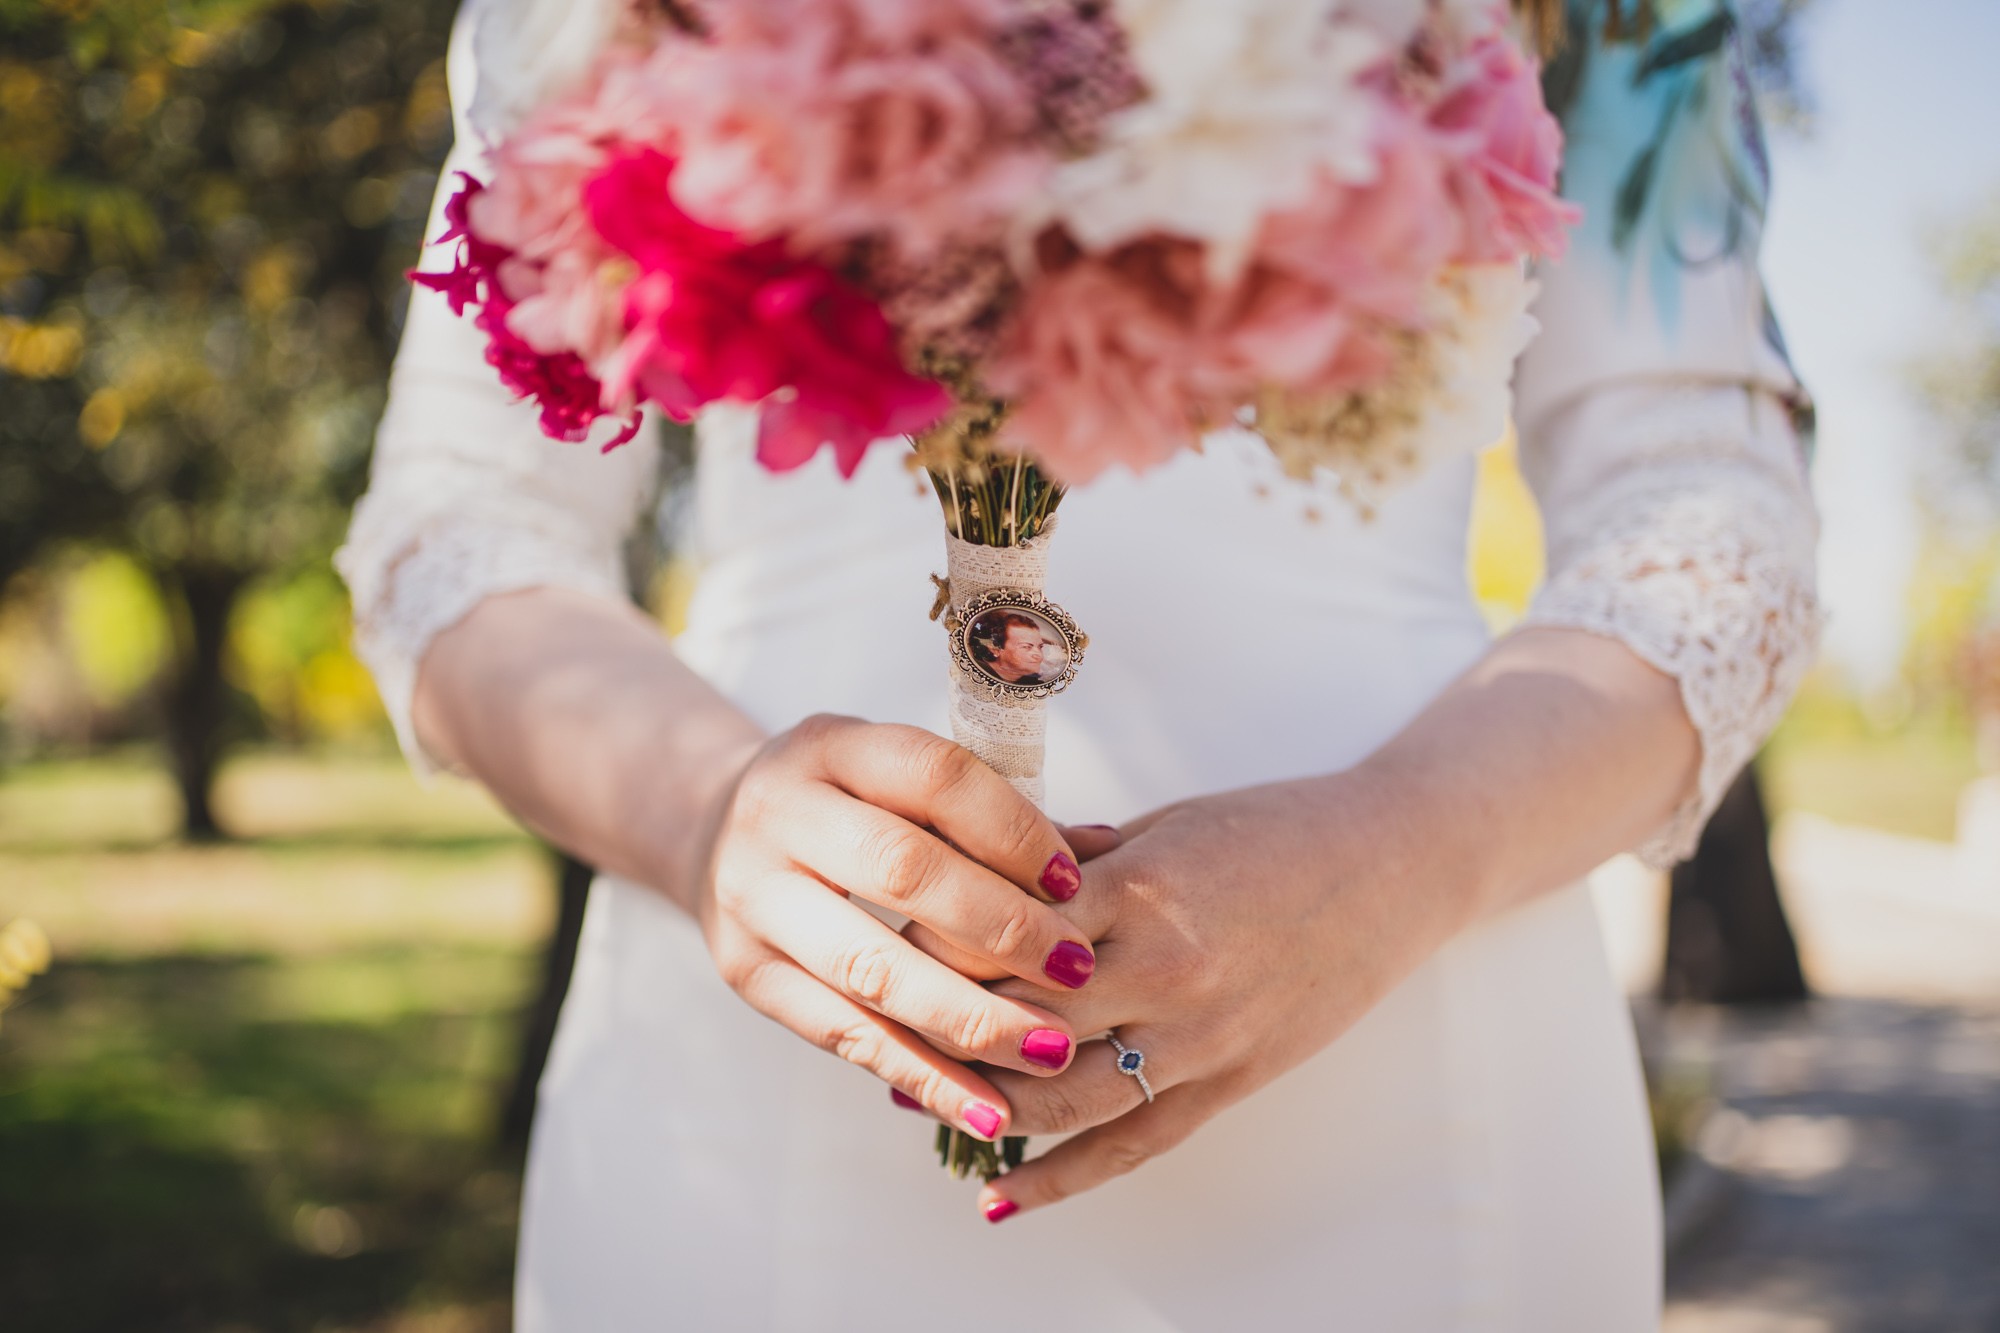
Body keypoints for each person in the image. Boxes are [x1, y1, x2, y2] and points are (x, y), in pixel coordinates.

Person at [335, 0, 1821, 1326]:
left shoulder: (1627, 21)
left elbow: (1707, 514)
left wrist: (1404, 849)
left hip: (1415, 1060)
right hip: (757, 1087)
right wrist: (704, 814)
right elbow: (459, 526)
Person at [974, 612, 1054, 685]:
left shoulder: (1034, 683)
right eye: (1026, 647)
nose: (1039, 655)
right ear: (995, 650)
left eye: (1040, 647)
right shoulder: (976, 673)